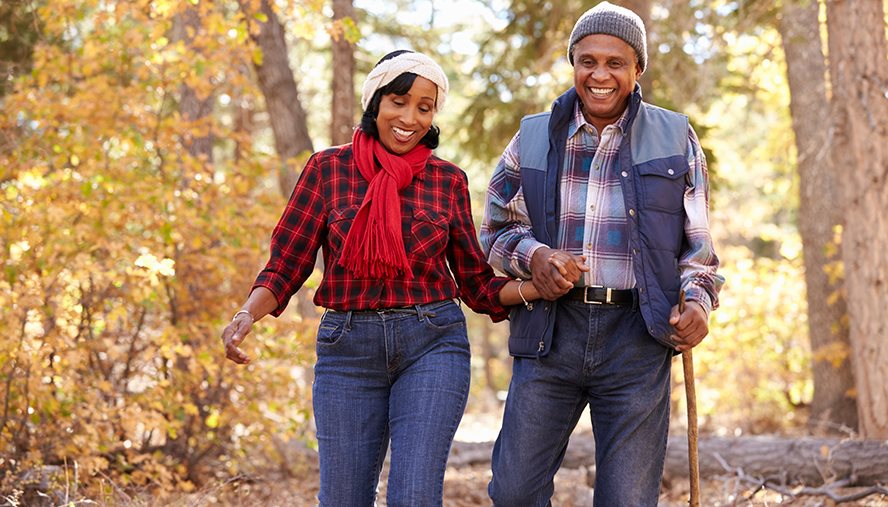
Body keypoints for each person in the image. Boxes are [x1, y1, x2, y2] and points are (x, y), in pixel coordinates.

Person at [221, 50, 551, 507]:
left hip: (432, 343)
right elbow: (287, 263)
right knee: (343, 499)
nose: (410, 118)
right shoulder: (327, 170)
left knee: (413, 496)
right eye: (399, 101)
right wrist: (247, 313)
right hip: (347, 350)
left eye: (424, 107)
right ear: (375, 101)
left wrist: (535, 286)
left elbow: (476, 284)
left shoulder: (447, 180)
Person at [480, 3, 725, 506]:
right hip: (550, 333)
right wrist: (535, 256)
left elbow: (698, 247)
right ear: (573, 63)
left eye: (616, 63)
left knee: (627, 500)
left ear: (637, 70)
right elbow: (496, 231)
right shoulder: (532, 137)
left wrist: (699, 302)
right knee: (513, 491)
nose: (599, 75)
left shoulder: (675, 136)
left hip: (638, 336)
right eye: (587, 61)